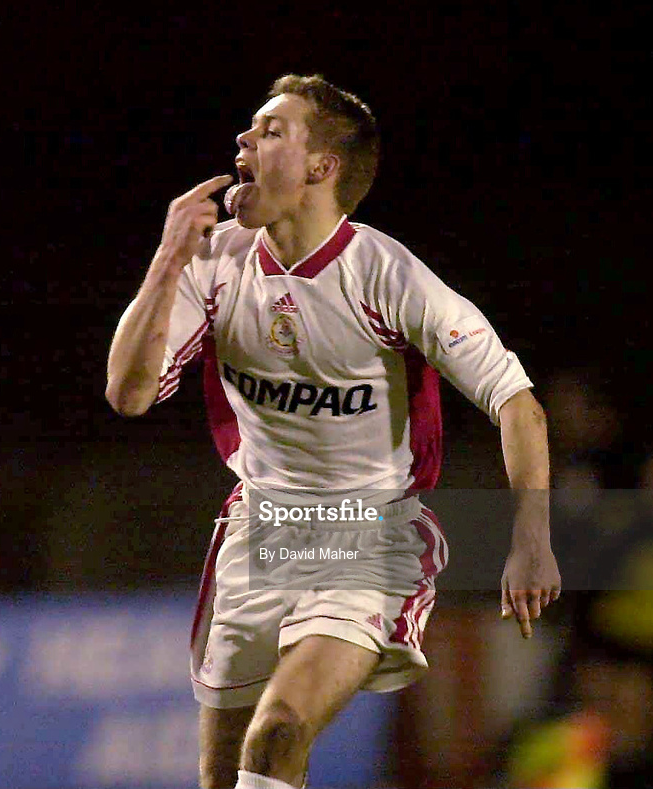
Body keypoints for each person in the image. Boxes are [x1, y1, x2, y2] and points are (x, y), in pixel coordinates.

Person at [105, 74, 560, 789]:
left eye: (270, 131)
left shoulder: (387, 276)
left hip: (366, 535)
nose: (243, 140)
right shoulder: (215, 262)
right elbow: (129, 394)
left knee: (278, 731)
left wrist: (531, 540)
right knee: (227, 776)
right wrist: (167, 261)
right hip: (259, 533)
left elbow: (517, 403)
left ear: (322, 166)